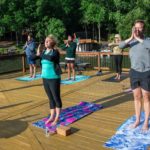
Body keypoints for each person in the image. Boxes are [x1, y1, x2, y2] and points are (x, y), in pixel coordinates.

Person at [119, 20, 150, 131]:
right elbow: (120, 45)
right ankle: (137, 119)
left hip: (146, 72)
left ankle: (146, 121)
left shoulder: (147, 40)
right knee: (136, 96)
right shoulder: (131, 41)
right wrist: (131, 37)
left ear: (143, 29)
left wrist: (137, 38)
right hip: (134, 72)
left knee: (146, 97)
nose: (137, 30)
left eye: (139, 28)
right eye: (135, 28)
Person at [36, 34, 62, 126]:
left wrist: (41, 54)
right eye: (45, 41)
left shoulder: (55, 52)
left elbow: (51, 58)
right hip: (45, 78)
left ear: (53, 42)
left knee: (56, 98)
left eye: (48, 41)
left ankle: (57, 117)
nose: (46, 42)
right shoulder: (44, 52)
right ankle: (51, 116)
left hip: (54, 78)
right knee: (50, 98)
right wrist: (39, 53)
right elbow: (36, 57)